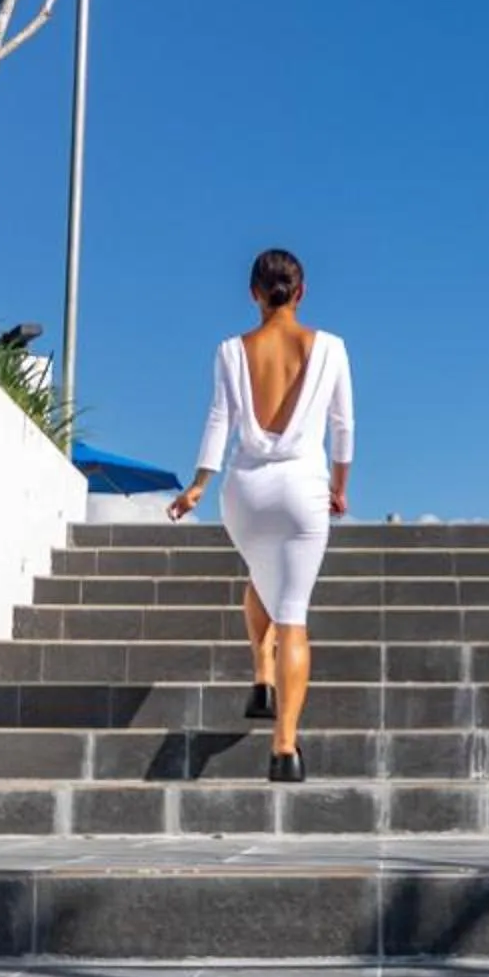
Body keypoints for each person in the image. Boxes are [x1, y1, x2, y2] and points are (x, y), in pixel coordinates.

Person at [168, 249, 353, 782]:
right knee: (292, 613)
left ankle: (262, 673)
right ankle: (284, 749)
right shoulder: (332, 349)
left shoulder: (231, 350)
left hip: (244, 493)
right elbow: (344, 428)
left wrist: (199, 485)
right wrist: (338, 488)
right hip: (302, 490)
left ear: (253, 293)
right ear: (301, 292)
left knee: (259, 577)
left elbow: (218, 420)